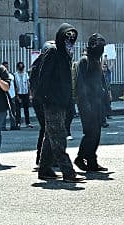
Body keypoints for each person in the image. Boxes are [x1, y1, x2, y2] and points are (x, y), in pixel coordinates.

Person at [31, 24, 81, 181]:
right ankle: (68, 172)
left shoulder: (66, 54)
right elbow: (43, 77)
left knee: (50, 135)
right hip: (52, 102)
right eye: (67, 37)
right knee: (59, 137)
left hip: (61, 102)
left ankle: (44, 169)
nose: (70, 40)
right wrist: (46, 99)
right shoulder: (53, 52)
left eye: (72, 37)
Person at [74, 34, 109, 173]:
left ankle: (92, 161)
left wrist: (106, 99)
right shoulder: (84, 61)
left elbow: (101, 82)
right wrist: (85, 104)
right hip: (87, 104)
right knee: (90, 134)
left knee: (97, 134)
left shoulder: (96, 60)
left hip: (97, 103)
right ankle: (81, 157)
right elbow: (80, 85)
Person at [11, 61, 32, 128]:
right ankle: (18, 123)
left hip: (25, 93)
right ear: (17, 67)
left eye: (22, 67)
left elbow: (28, 85)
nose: (21, 68)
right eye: (20, 67)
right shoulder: (15, 75)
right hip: (18, 93)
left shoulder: (26, 74)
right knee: (18, 109)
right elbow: (15, 86)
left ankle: (27, 123)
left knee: (26, 108)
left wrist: (30, 94)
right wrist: (16, 95)